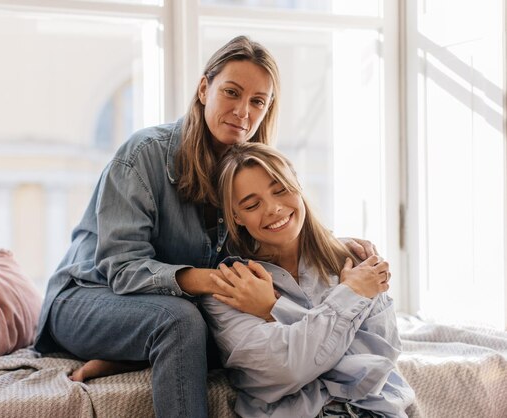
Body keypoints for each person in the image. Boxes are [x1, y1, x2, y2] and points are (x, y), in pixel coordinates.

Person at [34, 35, 380, 418]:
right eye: (231, 92)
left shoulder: (245, 173)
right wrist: (217, 281)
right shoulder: (143, 155)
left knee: (237, 327)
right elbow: (121, 268)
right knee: (183, 321)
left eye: (257, 102)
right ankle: (140, 347)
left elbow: (264, 235)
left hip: (169, 310)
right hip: (87, 297)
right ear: (204, 89)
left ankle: (133, 358)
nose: (242, 111)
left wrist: (327, 244)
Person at [200, 142, 415, 418]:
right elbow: (287, 368)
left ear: (298, 185)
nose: (274, 208)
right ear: (235, 216)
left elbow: (379, 362)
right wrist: (351, 294)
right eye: (252, 204)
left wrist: (274, 310)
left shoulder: (355, 260)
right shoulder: (229, 287)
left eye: (280, 190)